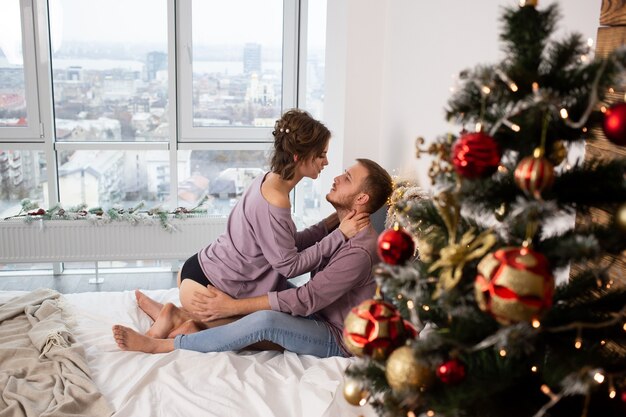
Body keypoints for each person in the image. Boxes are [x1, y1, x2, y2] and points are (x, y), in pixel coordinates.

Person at [112, 158, 394, 358]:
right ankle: (182, 316)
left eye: (347, 178)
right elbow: (302, 246)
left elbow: (305, 299)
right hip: (317, 311)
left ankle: (167, 345)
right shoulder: (342, 225)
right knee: (265, 293)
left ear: (361, 199)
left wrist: (232, 306)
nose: (336, 176)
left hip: (335, 333)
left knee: (265, 322)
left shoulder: (359, 250)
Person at [174, 109, 368, 321]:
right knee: (266, 330)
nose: (326, 162)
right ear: (298, 157)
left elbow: (288, 243)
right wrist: (339, 235)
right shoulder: (276, 201)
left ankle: (171, 314)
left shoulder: (267, 181)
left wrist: (328, 225)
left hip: (201, 266)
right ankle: (175, 317)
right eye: (321, 155)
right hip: (213, 285)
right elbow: (289, 266)